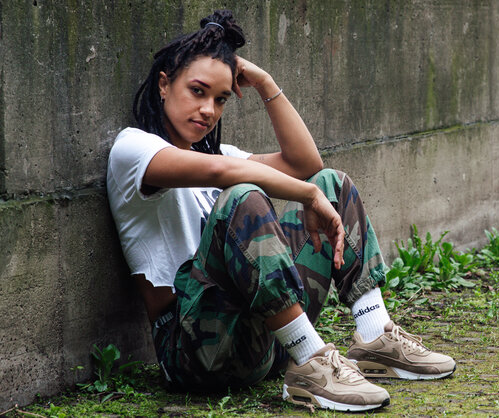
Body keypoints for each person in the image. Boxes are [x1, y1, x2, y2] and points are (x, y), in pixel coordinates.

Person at [106, 10, 455, 412]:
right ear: (164, 85)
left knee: (332, 183)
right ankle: (309, 360)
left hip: (260, 342)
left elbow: (306, 164)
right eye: (198, 91)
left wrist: (265, 83)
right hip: (194, 353)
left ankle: (374, 335)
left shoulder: (218, 153)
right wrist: (306, 198)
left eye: (220, 99)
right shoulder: (133, 150)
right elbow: (226, 173)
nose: (209, 110)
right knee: (244, 195)